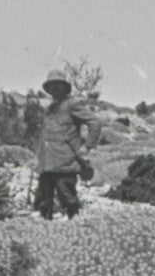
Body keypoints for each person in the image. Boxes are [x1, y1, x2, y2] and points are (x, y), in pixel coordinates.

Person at [34, 68, 104, 219]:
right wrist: (38, 160)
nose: (55, 88)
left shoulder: (72, 104)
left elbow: (95, 122)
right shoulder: (50, 109)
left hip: (65, 162)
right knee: (44, 201)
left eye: (58, 85)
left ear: (65, 87)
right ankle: (45, 233)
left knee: (67, 197)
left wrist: (87, 147)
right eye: (52, 85)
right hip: (46, 164)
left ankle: (76, 227)